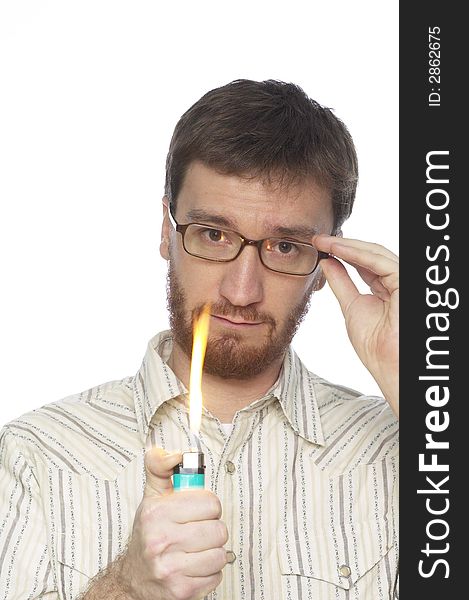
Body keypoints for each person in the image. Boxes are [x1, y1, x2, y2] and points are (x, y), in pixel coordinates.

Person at [0, 79, 399, 600]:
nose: (242, 290)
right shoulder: (35, 458)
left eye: (284, 246)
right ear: (168, 232)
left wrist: (426, 378)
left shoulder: (408, 453)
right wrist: (128, 588)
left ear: (327, 265)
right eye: (214, 235)